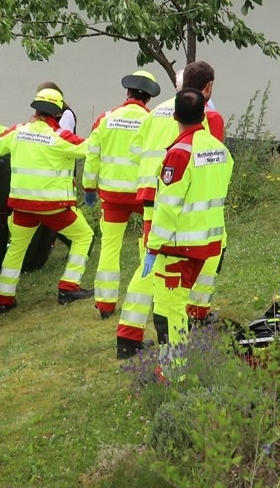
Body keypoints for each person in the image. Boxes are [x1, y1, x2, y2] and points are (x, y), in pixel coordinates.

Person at [116, 61, 224, 358]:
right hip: (181, 205)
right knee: (172, 267)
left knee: (149, 268)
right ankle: (194, 315)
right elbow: (210, 163)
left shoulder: (156, 111)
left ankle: (129, 332)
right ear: (208, 87)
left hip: (153, 196)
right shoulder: (210, 116)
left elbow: (136, 149)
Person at [0, 88, 94, 312]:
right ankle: (68, 287)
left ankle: (3, 300)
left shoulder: (17, 131)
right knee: (84, 236)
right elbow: (90, 149)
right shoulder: (60, 137)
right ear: (57, 114)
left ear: (35, 110)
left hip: (22, 205)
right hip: (53, 207)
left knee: (16, 249)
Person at [142, 88, 233, 378]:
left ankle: (172, 374)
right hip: (208, 243)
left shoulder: (180, 153)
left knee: (169, 312)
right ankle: (173, 368)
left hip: (178, 247)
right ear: (204, 115)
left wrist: (153, 246)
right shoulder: (219, 149)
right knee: (179, 307)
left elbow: (167, 207)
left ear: (174, 116)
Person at [82, 70, 161, 319]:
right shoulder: (153, 120)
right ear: (148, 98)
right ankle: (150, 298)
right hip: (142, 195)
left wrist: (89, 187)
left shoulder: (105, 119)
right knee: (147, 246)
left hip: (112, 197)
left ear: (127, 92)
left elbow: (92, 155)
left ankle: (105, 304)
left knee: (109, 247)